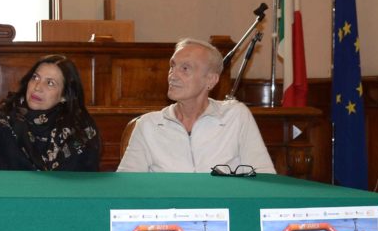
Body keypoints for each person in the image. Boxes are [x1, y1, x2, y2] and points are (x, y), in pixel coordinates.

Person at [117, 38, 275, 173]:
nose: (172, 75)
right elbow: (126, 185)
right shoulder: (148, 125)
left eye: (185, 68)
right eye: (172, 66)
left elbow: (264, 176)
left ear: (210, 80)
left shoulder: (235, 116)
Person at [0, 54, 100, 171]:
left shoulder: (80, 129)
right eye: (35, 77)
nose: (37, 87)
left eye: (50, 83)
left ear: (64, 96)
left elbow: (82, 181)